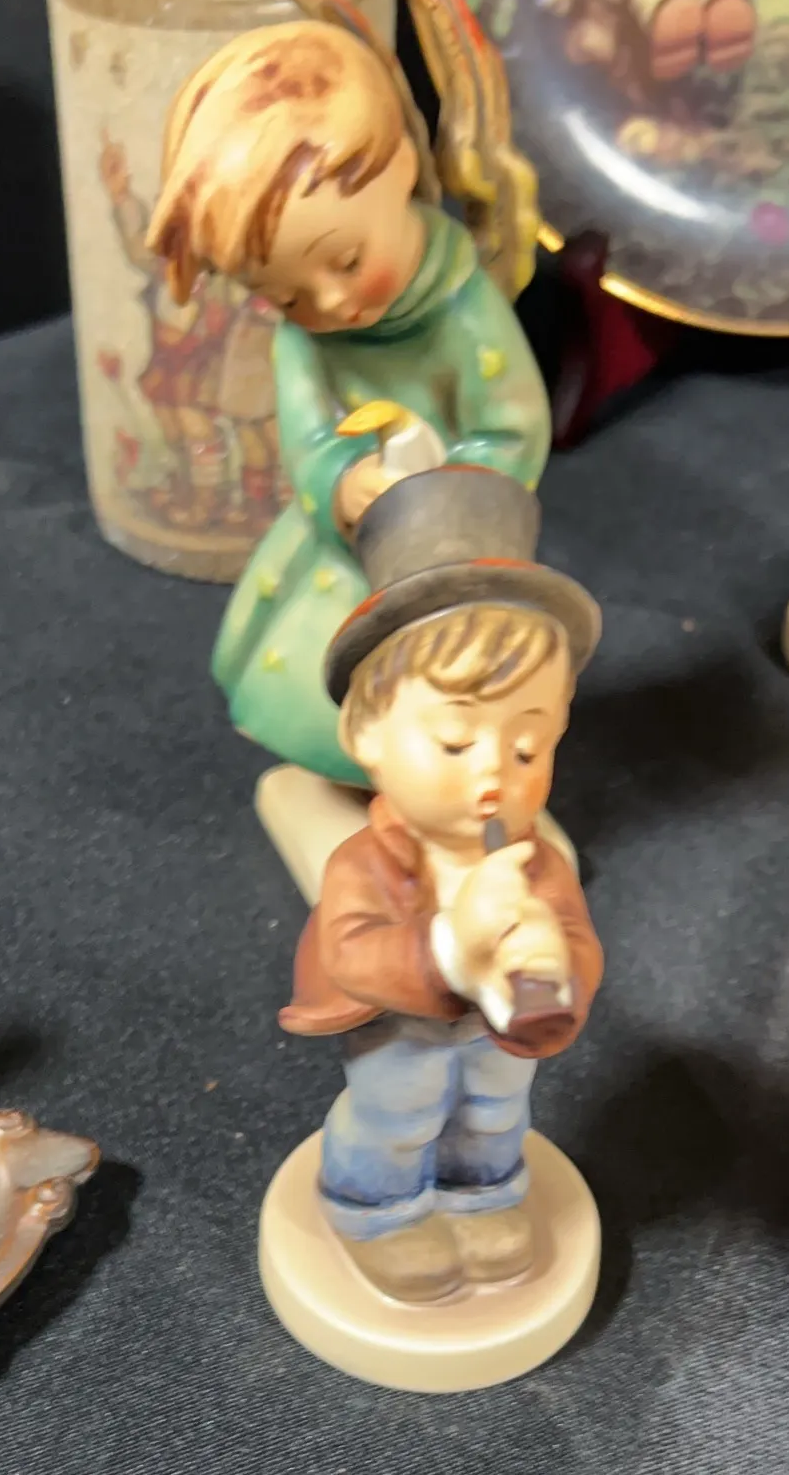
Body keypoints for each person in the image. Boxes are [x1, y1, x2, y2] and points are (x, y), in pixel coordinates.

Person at [145, 0, 550, 788]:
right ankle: (348, 774)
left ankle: (423, 788)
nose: (329, 304)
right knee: (301, 665)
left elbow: (513, 426)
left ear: (399, 166)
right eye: (283, 293)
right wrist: (339, 483)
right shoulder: (305, 338)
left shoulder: (460, 308)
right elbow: (305, 430)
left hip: (439, 552)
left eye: (345, 259)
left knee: (431, 690)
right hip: (345, 537)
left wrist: (441, 500)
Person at [279, 467, 603, 1303]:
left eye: (527, 747)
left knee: (495, 1113)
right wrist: (452, 948)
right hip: (402, 1031)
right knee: (398, 1115)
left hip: (498, 1033)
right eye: (455, 741)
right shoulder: (367, 861)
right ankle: (376, 1210)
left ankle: (480, 1194)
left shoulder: (535, 861)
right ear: (366, 732)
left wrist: (557, 962)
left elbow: (578, 940)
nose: (494, 770)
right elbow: (351, 952)